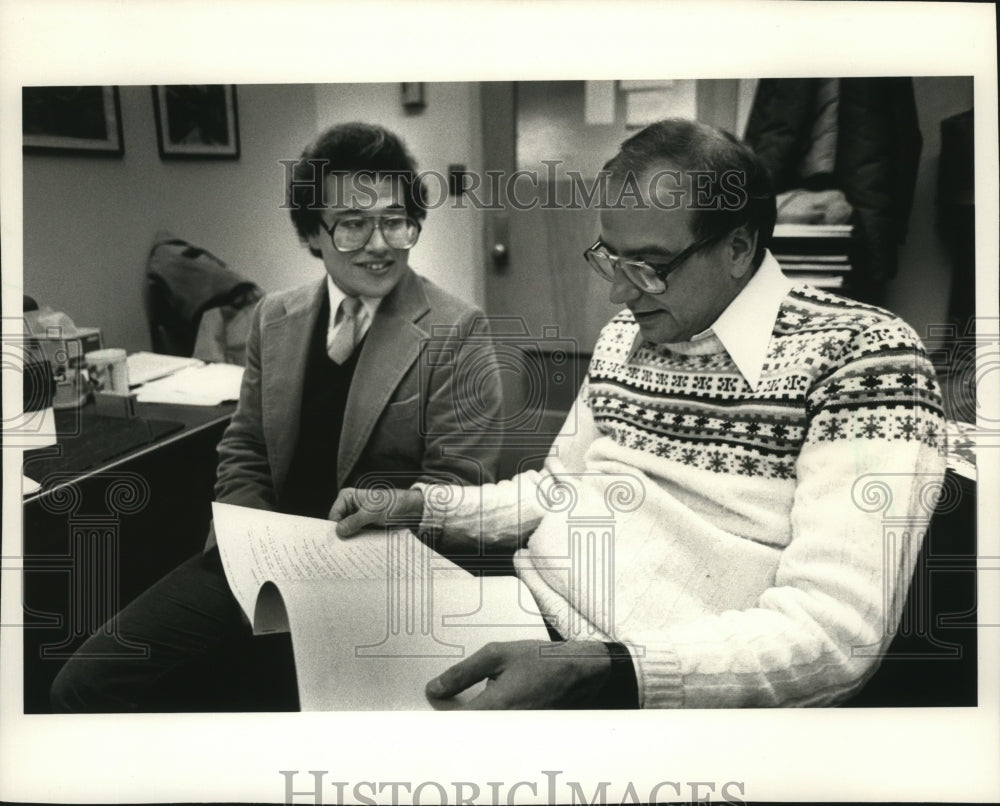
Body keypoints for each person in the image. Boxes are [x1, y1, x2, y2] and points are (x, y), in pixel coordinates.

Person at [332, 118, 947, 709]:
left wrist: (605, 671)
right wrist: (423, 506)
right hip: (519, 616)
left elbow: (834, 636)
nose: (618, 293)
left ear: (738, 247)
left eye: (649, 267)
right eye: (610, 257)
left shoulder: (865, 358)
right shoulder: (627, 333)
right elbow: (556, 492)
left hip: (639, 689)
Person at [51, 122, 503, 712]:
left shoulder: (457, 330)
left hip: (380, 577)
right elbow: (244, 450)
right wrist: (253, 554)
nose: (379, 243)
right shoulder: (275, 317)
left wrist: (339, 563)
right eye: (351, 224)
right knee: (82, 685)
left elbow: (460, 489)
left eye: (395, 220)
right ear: (312, 233)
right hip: (262, 560)